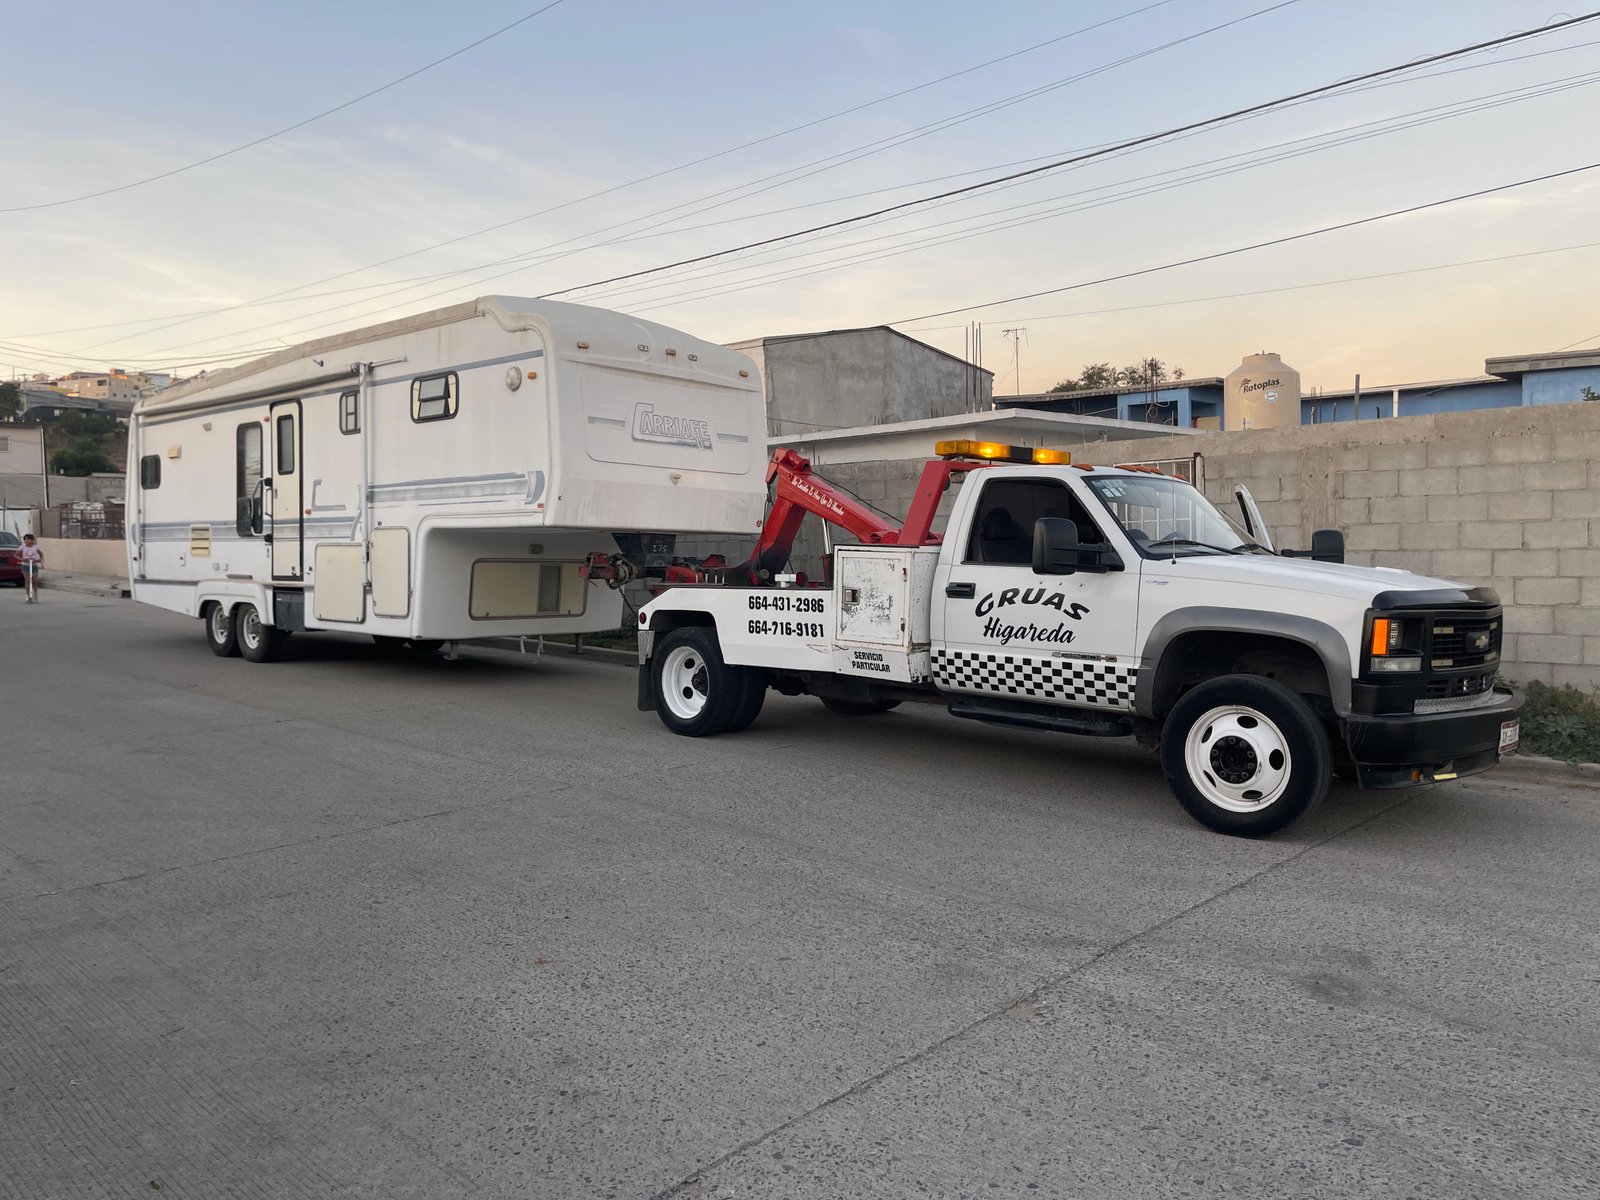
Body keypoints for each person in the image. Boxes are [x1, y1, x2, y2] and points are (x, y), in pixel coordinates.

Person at [18, 534, 42, 602]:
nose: (26, 541)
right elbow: (15, 555)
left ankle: (35, 593)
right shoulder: (22, 547)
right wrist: (22, 559)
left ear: (32, 540)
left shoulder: (35, 547)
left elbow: (41, 554)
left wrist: (40, 559)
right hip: (25, 566)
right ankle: (28, 597)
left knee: (34, 581)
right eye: (25, 539)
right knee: (27, 581)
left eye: (28, 539)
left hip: (34, 565)